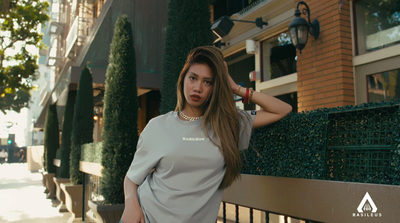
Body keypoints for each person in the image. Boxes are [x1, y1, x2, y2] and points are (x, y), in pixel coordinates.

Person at [121, 46, 292, 223]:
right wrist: (131, 205)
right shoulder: (158, 126)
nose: (198, 88)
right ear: (183, 80)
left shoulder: (228, 124)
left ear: (215, 87)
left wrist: (235, 88)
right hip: (146, 217)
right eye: (193, 78)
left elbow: (282, 110)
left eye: (207, 82)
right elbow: (132, 178)